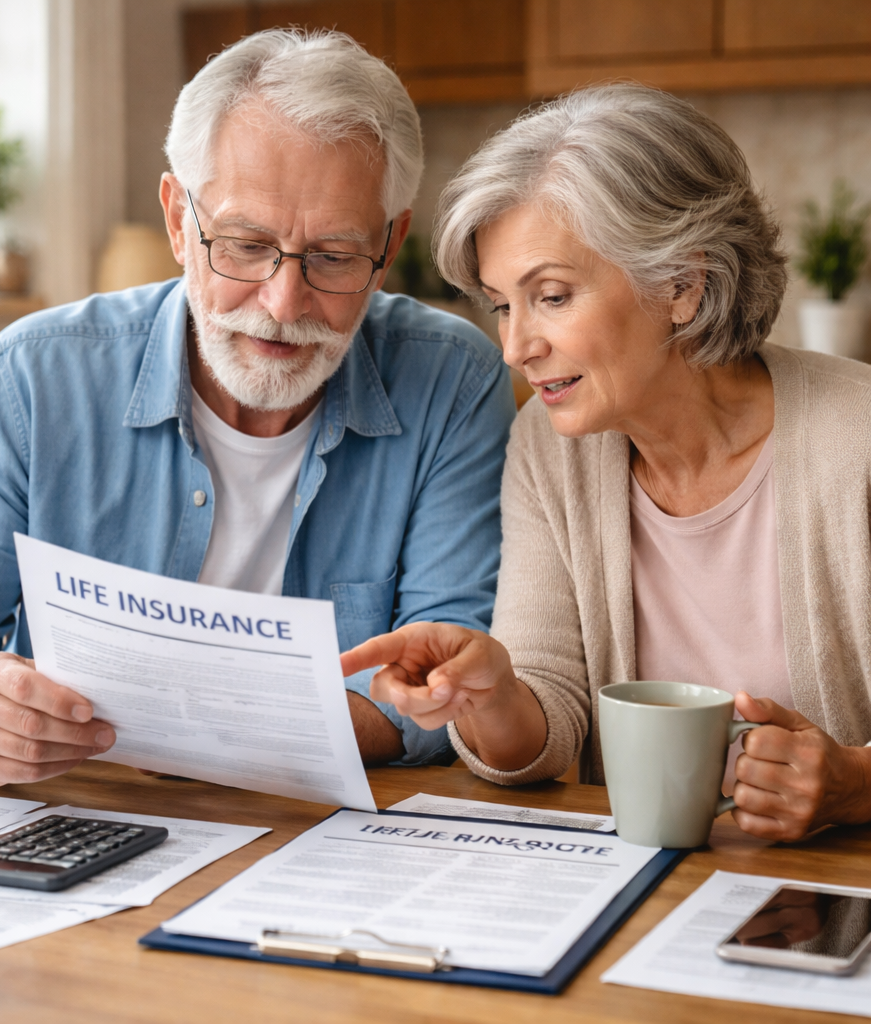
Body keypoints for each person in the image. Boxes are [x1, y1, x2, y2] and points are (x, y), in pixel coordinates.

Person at [0, 30, 514, 785]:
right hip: (84, 828)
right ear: (176, 220)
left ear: (391, 244)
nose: (282, 301)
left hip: (313, 839)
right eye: (243, 244)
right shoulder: (29, 378)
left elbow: (446, 680)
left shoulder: (454, 380)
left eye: (333, 256)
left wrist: (195, 728)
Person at [343, 84, 871, 843]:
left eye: (551, 296)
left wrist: (854, 783)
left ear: (682, 285)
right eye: (502, 305)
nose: (516, 347)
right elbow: (545, 724)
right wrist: (488, 693)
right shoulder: (548, 448)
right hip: (634, 904)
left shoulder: (856, 441)